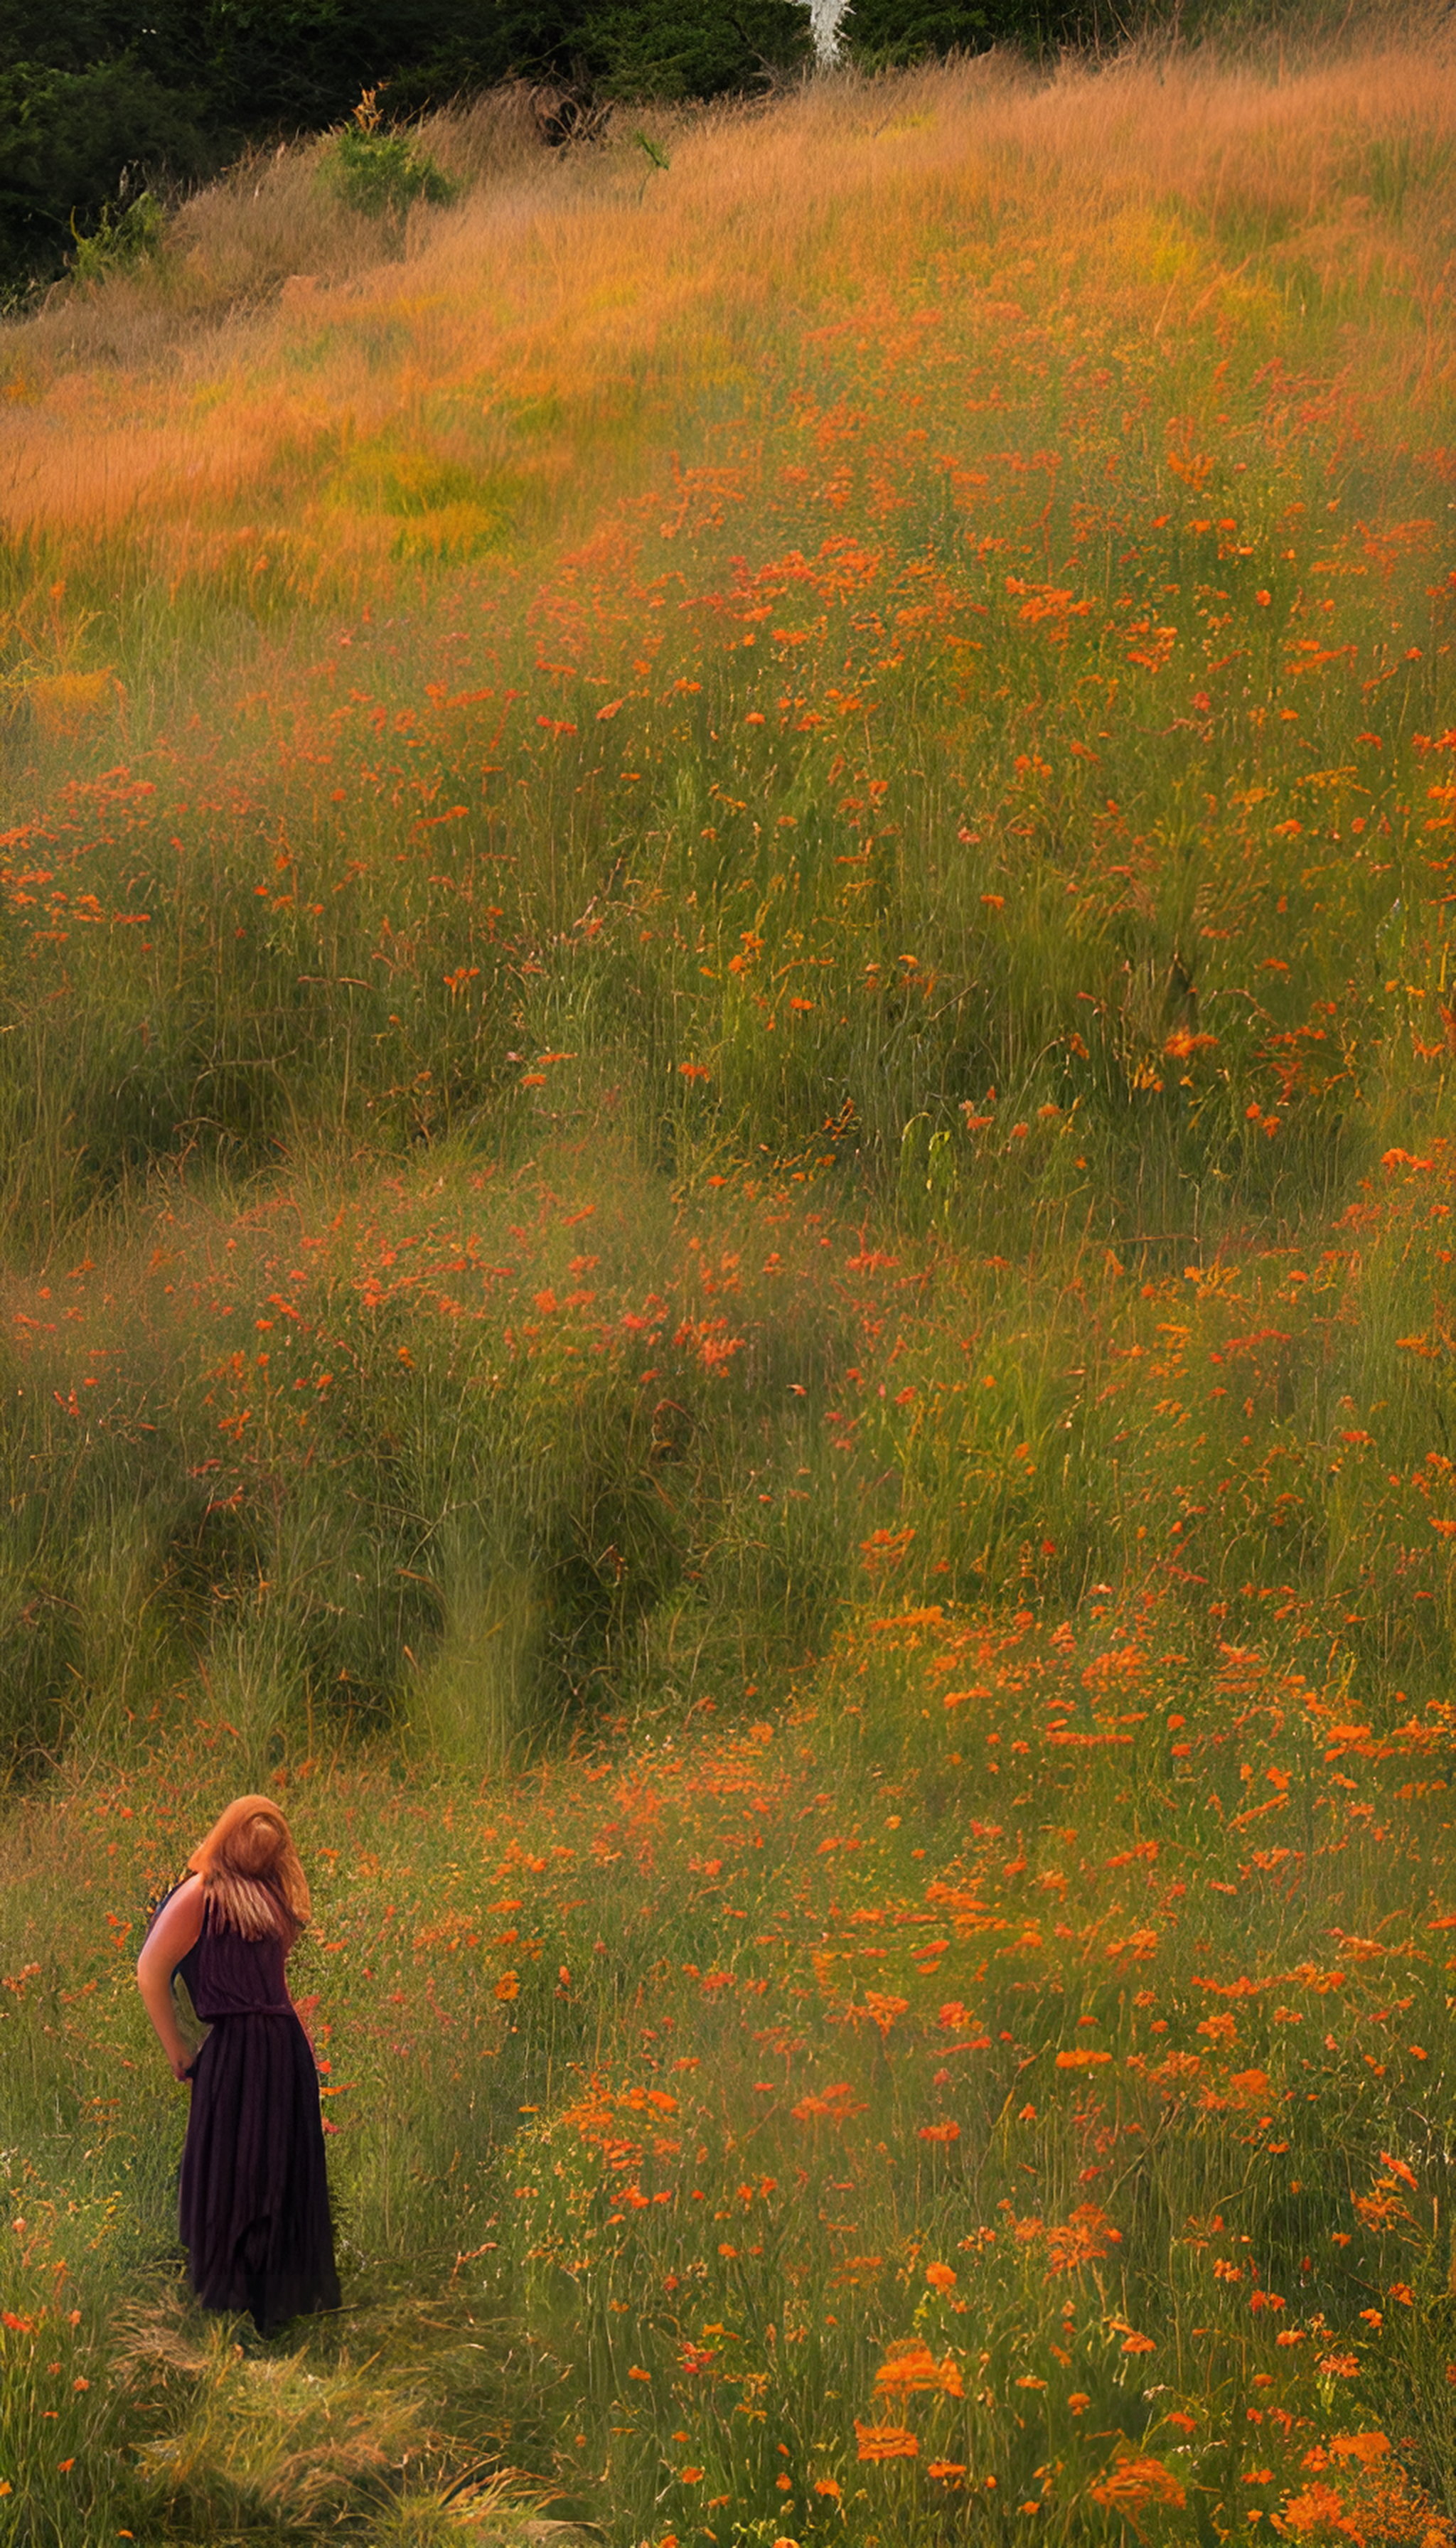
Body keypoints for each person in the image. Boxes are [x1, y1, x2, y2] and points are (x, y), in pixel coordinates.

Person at [136, 1793, 341, 2336]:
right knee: (241, 2168)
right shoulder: (200, 1895)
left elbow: (266, 1983)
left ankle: (264, 2301)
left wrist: (181, 2049)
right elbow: (150, 1970)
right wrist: (177, 2049)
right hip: (245, 2048)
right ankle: (240, 2301)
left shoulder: (263, 1897)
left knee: (270, 2168)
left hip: (274, 2047)